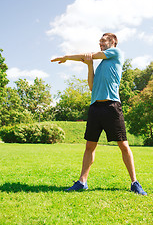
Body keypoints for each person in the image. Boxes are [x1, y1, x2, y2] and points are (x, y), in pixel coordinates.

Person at [51, 33, 147, 195]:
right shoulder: (102, 64)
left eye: (103, 40)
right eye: (100, 41)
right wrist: (89, 65)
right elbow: (91, 86)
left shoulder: (116, 53)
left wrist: (67, 57)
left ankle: (135, 183)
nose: (100, 43)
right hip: (95, 107)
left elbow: (89, 55)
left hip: (112, 106)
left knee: (123, 145)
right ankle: (82, 182)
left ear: (113, 42)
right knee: (90, 146)